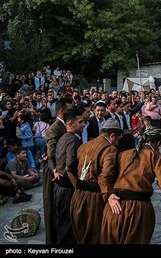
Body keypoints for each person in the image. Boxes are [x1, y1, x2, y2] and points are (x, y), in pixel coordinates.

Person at [101, 127, 161, 244]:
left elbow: (106, 176)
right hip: (137, 210)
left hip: (115, 206)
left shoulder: (123, 154)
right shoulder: (154, 156)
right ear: (158, 143)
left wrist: (109, 194)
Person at [67, 118, 122, 244]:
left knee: (81, 236)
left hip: (77, 197)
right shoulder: (110, 149)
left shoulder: (84, 146)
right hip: (94, 200)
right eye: (118, 139)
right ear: (112, 136)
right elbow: (105, 176)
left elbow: (69, 167)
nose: (118, 142)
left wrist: (77, 185)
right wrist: (108, 194)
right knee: (95, 236)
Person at [43, 97, 73, 244]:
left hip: (64, 170)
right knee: (55, 212)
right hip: (55, 173)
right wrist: (55, 170)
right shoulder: (54, 129)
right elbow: (51, 154)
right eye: (69, 109)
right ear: (61, 112)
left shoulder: (66, 126)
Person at [53, 107, 84, 244]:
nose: (84, 124)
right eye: (80, 122)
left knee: (62, 223)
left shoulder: (63, 138)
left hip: (59, 188)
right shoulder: (73, 139)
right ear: (71, 125)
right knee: (67, 227)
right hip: (67, 189)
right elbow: (70, 164)